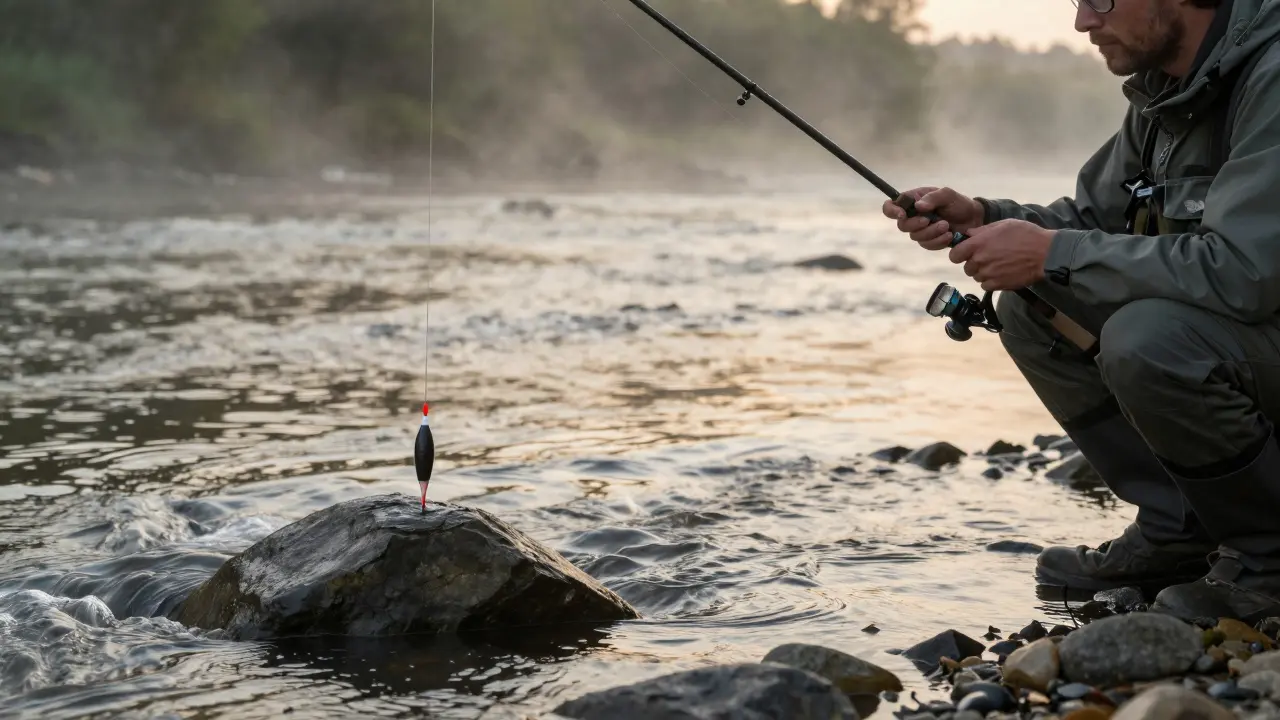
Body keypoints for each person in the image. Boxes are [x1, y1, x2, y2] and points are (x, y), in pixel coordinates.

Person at [883, 0, 1280, 623]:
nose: (1082, 22)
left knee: (1147, 339)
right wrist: (987, 217)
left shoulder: (1272, 75)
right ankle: (1180, 532)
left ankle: (1269, 560)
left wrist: (1051, 251)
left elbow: (1243, 271)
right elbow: (1095, 222)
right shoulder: (1165, 93)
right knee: (1031, 306)